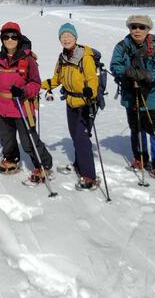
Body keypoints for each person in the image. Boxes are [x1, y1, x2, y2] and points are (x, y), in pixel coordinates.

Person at [109, 14, 155, 184]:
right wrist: (127, 72)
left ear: (148, 29)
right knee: (136, 126)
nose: (137, 30)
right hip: (131, 91)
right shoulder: (122, 46)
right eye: (134, 27)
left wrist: (145, 75)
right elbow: (115, 65)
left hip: (154, 92)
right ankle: (140, 157)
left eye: (141, 27)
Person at [0, 22, 52, 184]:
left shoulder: (28, 60)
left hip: (22, 107)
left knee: (28, 140)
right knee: (6, 138)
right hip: (3, 106)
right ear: (2, 39)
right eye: (6, 36)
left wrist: (24, 91)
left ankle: (44, 164)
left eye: (13, 36)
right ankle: (11, 159)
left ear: (19, 38)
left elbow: (36, 83)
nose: (10, 39)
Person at [41, 23, 100, 190]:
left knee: (81, 138)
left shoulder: (85, 56)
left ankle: (89, 176)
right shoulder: (62, 58)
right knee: (75, 136)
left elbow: (92, 78)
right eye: (63, 37)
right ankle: (79, 165)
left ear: (75, 38)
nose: (66, 39)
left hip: (86, 102)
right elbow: (57, 79)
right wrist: (41, 84)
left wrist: (91, 91)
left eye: (69, 36)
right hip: (70, 102)